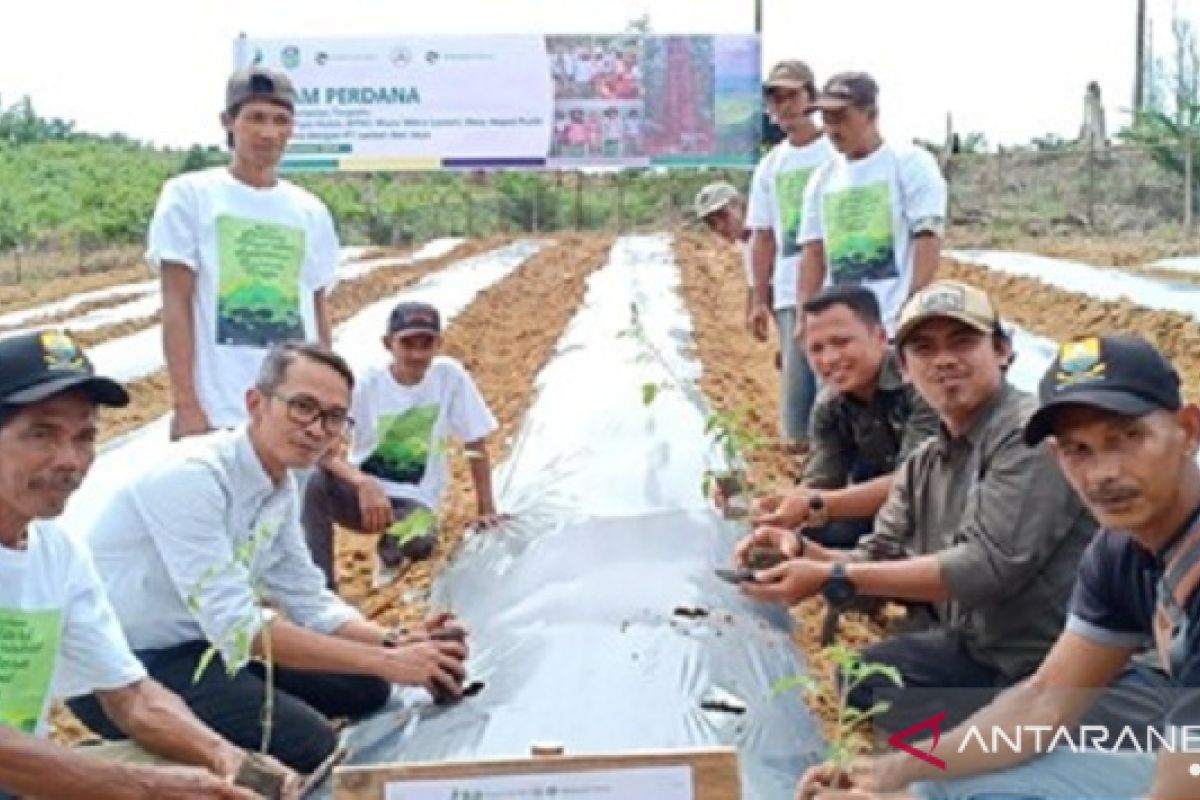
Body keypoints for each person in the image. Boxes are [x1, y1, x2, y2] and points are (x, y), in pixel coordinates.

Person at [799, 334, 1196, 800]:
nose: (1102, 473)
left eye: (1128, 438)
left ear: (1188, 431)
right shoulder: (1120, 552)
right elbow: (1044, 700)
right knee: (951, 782)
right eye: (1078, 450)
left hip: (1158, 724)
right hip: (1018, 667)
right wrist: (895, 773)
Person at [70, 342, 469, 774]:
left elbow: (309, 600)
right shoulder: (190, 479)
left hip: (203, 648)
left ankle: (231, 701)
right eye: (302, 407)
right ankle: (123, 758)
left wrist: (394, 644)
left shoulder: (278, 487)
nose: (316, 428)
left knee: (367, 690)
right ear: (256, 403)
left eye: (334, 418)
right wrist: (391, 661)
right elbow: (239, 627)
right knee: (309, 742)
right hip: (124, 668)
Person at [739, 281, 1094, 724]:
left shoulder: (1029, 436)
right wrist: (800, 552)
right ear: (905, 368)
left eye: (962, 342)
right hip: (977, 646)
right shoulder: (926, 460)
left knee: (957, 744)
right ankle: (993, 732)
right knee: (864, 680)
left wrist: (829, 569)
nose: (944, 360)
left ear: (1002, 351)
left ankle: (1023, 736)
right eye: (924, 349)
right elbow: (876, 553)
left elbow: (985, 568)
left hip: (1055, 660)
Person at [0, 330, 294, 799]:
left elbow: (132, 696)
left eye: (84, 437)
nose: (69, 460)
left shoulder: (56, 552)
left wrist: (227, 759)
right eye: (41, 434)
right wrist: (149, 788)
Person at [150, 66, 339, 440]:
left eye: (280, 120)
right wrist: (187, 405)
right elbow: (176, 302)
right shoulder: (191, 196)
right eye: (255, 118)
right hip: (219, 413)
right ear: (228, 123)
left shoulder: (310, 210)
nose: (268, 132)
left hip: (294, 419)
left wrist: (327, 408)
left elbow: (317, 312)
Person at [302, 301, 501, 590]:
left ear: (439, 344)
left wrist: (486, 508)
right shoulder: (366, 384)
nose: (417, 354)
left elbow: (475, 441)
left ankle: (390, 552)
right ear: (388, 344)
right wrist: (363, 483)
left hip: (414, 501)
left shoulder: (449, 377)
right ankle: (319, 586)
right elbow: (323, 449)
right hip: (362, 498)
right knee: (313, 481)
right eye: (407, 344)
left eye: (426, 344)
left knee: (421, 541)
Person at [747, 284, 939, 548]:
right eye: (816, 349)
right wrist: (776, 506)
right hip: (882, 509)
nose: (829, 359)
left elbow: (915, 485)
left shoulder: (923, 386)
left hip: (942, 510)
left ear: (881, 337)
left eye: (841, 342)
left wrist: (815, 503)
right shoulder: (830, 404)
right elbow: (822, 480)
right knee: (809, 537)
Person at [797, 72, 948, 337]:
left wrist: (912, 307)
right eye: (826, 119)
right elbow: (813, 252)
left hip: (893, 324)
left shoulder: (909, 163)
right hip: (842, 332)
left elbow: (928, 237)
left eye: (841, 117)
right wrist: (806, 318)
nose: (832, 129)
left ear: (871, 115)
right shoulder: (822, 179)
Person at [747, 60, 836, 451]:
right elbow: (763, 236)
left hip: (838, 291)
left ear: (811, 98)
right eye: (775, 98)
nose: (783, 106)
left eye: (791, 95)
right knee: (798, 402)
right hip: (788, 294)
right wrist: (757, 296)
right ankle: (808, 482)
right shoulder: (771, 166)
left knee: (835, 391)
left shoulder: (836, 151)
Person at [694, 182, 754, 327]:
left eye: (723, 216)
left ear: (739, 204)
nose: (720, 227)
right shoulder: (746, 243)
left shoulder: (767, 239)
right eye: (711, 223)